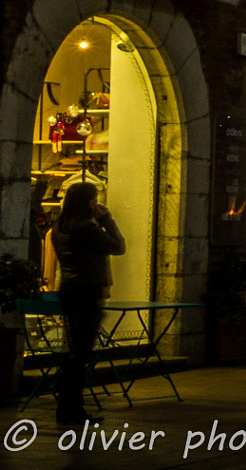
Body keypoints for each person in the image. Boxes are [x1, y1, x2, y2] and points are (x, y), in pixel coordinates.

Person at [49, 182, 124, 426]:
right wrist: (107, 219)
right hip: (88, 291)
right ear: (86, 202)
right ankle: (72, 408)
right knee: (81, 352)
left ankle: (68, 406)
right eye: (93, 200)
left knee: (75, 351)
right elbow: (118, 246)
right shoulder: (87, 228)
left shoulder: (59, 227)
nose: (96, 204)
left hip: (69, 289)